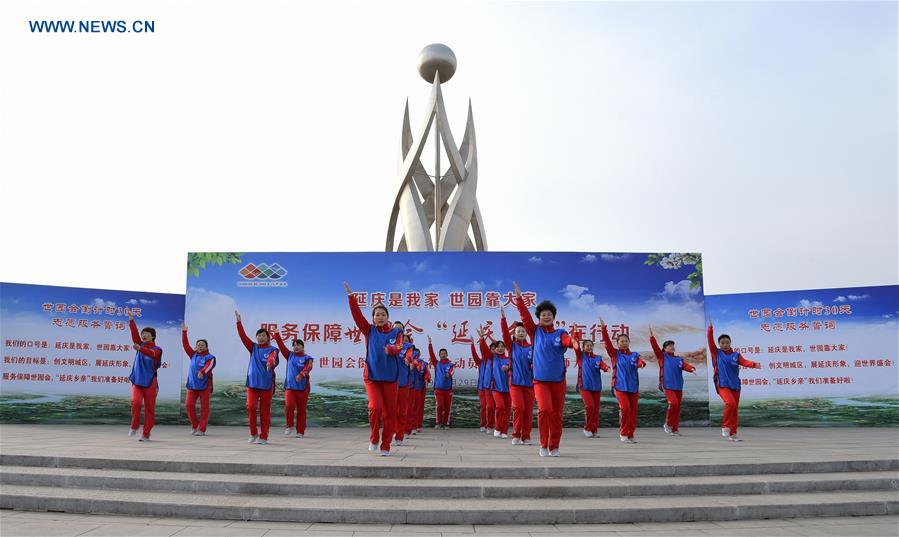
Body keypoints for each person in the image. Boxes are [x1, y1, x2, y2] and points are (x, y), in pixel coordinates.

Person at [513, 282, 579, 457]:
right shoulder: (535, 332)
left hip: (558, 381)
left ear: (553, 316)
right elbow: (525, 316)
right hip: (540, 381)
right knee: (544, 411)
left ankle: (554, 446)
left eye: (549, 314)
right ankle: (543, 444)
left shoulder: (560, 333)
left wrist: (573, 342)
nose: (547, 316)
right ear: (539, 317)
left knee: (557, 414)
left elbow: (567, 340)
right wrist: (519, 299)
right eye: (543, 314)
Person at [344, 282, 404, 456]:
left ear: (387, 317)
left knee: (389, 414)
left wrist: (391, 349)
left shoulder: (395, 333)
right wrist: (351, 298)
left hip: (390, 379)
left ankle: (386, 445)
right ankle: (373, 438)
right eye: (377, 314)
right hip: (372, 377)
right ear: (373, 318)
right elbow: (357, 316)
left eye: (383, 314)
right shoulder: (369, 330)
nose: (380, 317)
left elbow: (400, 347)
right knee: (375, 407)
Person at [708, 319, 761, 442]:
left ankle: (733, 433)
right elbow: (710, 341)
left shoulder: (736, 355)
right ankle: (725, 426)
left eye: (727, 342)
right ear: (719, 344)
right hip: (722, 384)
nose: (725, 344)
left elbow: (745, 362)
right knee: (730, 403)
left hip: (735, 385)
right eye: (722, 343)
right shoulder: (716, 353)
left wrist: (754, 364)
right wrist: (710, 329)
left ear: (730, 342)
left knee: (734, 409)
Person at [235, 310, 279, 445]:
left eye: (263, 336)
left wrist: (270, 363)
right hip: (252, 384)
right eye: (258, 336)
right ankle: (253, 433)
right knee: (251, 407)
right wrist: (239, 323)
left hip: (266, 385)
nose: (261, 338)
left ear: (268, 338)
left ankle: (264, 436)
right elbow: (243, 337)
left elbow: (274, 359)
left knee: (265, 412)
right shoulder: (253, 348)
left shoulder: (273, 350)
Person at [600, 318, 646, 443]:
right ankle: (624, 433)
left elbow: (639, 362)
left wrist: (641, 364)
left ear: (629, 342)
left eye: (626, 341)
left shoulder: (634, 355)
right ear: (618, 343)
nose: (624, 343)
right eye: (622, 341)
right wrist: (604, 329)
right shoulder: (615, 354)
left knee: (633, 411)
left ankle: (630, 434)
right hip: (619, 387)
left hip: (633, 387)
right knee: (625, 409)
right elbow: (607, 343)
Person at [649, 325, 696, 436]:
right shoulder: (662, 357)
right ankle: (668, 424)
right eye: (669, 346)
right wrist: (652, 338)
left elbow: (685, 365)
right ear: (665, 348)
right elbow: (655, 348)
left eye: (673, 346)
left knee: (678, 407)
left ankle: (675, 429)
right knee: (673, 403)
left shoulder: (679, 358)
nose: (672, 347)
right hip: (667, 385)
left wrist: (692, 369)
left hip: (678, 385)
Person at [500, 307, 535, 445]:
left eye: (523, 331)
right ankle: (516, 435)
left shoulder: (532, 347)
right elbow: (504, 335)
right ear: (514, 334)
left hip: (530, 385)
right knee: (519, 408)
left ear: (526, 333)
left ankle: (525, 437)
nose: (521, 332)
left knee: (528, 411)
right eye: (518, 331)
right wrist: (503, 320)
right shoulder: (512, 346)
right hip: (515, 384)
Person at [127, 312, 162, 442]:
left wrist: (140, 349)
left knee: (149, 409)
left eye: (147, 334)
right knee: (135, 403)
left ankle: (146, 434)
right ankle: (135, 425)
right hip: (137, 381)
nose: (144, 335)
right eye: (143, 334)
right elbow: (134, 333)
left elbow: (152, 354)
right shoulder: (139, 344)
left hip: (151, 382)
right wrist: (131, 319)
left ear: (153, 337)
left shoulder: (157, 349)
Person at [274, 332, 314, 438]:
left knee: (301, 410)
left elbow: (308, 367)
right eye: (294, 345)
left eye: (298, 345)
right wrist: (277, 335)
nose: (296, 347)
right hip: (290, 387)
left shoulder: (308, 358)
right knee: (289, 405)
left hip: (303, 388)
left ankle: (300, 431)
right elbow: (281, 346)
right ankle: (289, 425)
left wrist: (301, 374)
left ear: (302, 346)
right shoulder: (290, 355)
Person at [572, 334, 609, 438]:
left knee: (596, 409)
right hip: (584, 386)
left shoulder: (597, 358)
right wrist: (575, 334)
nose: (589, 347)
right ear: (583, 347)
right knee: (590, 406)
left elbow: (603, 365)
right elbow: (575, 346)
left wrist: (606, 368)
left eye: (591, 345)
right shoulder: (581, 356)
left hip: (596, 387)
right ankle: (587, 428)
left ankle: (594, 429)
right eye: (587, 345)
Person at [182, 323, 216, 436]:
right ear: (196, 347)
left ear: (206, 347)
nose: (200, 346)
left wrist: (202, 372)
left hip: (204, 385)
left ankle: (202, 429)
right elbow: (185, 345)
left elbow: (209, 366)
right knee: (188, 405)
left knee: (204, 408)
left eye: (202, 345)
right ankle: (195, 425)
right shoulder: (193, 355)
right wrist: (184, 333)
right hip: (192, 385)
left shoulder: (210, 357)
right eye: (198, 345)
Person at [478, 330, 511, 438]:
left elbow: (514, 369)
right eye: (498, 346)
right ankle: (497, 427)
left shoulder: (509, 359)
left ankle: (504, 431)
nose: (500, 348)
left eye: (502, 346)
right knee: (500, 407)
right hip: (496, 388)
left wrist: (509, 368)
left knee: (506, 410)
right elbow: (486, 350)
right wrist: (482, 339)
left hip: (508, 389)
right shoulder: (493, 357)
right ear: (495, 349)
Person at [428, 336, 455, 429]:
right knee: (439, 406)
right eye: (441, 353)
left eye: (444, 353)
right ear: (439, 355)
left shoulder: (451, 365)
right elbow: (431, 355)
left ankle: (446, 423)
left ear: (447, 355)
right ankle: (438, 422)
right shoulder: (437, 364)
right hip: (438, 389)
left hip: (448, 390)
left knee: (447, 407)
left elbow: (452, 371)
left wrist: (449, 375)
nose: (443, 355)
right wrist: (430, 344)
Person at [394, 324, 413, 445]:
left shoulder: (408, 347)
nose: (398, 329)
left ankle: (399, 435)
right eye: (396, 327)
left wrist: (407, 359)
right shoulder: (389, 342)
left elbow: (409, 355)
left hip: (403, 382)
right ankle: (392, 431)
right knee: (391, 410)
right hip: (390, 381)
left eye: (400, 328)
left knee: (402, 410)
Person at [470, 340, 494, 433]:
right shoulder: (481, 362)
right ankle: (483, 424)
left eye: (493, 349)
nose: (491, 351)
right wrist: (473, 345)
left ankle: (491, 425)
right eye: (490, 349)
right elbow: (476, 354)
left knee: (492, 407)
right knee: (485, 407)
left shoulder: (495, 361)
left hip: (493, 388)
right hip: (482, 388)